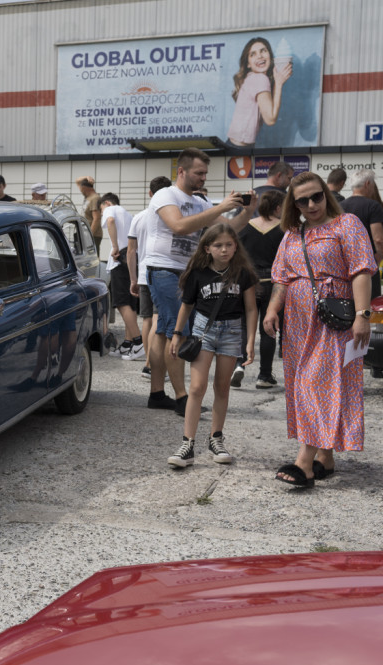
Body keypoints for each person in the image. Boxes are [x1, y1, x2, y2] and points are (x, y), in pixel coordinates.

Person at [266, 172, 375, 487]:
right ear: (294, 203)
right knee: (306, 382)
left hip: (334, 317)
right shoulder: (292, 233)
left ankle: (304, 463)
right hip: (298, 320)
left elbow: (361, 272)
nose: (311, 204)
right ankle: (324, 457)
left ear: (327, 194)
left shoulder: (348, 224)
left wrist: (362, 314)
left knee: (317, 382)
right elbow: (282, 277)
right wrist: (273, 309)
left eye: (317, 196)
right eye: (303, 200)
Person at [144, 147, 255, 416]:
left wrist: (248, 212)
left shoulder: (200, 203)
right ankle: (183, 398)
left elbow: (229, 230)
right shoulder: (165, 194)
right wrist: (221, 207)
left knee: (163, 332)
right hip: (164, 270)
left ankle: (157, 393)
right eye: (199, 173)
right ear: (181, 171)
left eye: (206, 173)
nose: (204, 177)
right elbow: (179, 226)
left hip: (184, 273)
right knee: (177, 332)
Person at [168, 225, 258, 468]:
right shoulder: (198, 273)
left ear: (235, 246)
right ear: (207, 248)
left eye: (229, 244)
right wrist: (177, 334)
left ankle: (216, 438)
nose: (224, 249)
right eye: (218, 245)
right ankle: (187, 444)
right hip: (203, 331)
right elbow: (186, 305)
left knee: (222, 387)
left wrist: (250, 342)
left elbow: (251, 308)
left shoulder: (243, 273)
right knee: (197, 387)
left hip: (231, 332)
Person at [237, 189, 287, 388]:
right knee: (268, 329)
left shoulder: (245, 227)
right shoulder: (284, 229)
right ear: (277, 207)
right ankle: (264, 375)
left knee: (242, 327)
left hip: (247, 282)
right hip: (273, 283)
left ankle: (239, 365)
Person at [127, 175, 173, 378]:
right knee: (158, 319)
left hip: (144, 274)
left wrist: (133, 278)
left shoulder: (139, 217)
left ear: (149, 193)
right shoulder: (172, 216)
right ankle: (152, 364)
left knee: (147, 319)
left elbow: (130, 251)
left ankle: (147, 362)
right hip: (165, 273)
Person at [226, 36, 292, 150]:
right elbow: (270, 119)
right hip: (238, 149)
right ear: (248, 64)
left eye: (263, 51)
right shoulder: (260, 79)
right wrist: (279, 84)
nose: (260, 56)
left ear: (270, 56)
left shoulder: (251, 78)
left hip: (235, 146)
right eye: (253, 54)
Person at [99, 192, 142, 359]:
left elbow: (110, 221)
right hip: (132, 259)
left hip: (120, 259)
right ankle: (127, 343)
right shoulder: (128, 214)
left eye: (101, 209)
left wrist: (115, 246)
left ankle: (138, 342)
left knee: (122, 302)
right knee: (129, 304)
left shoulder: (111, 210)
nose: (102, 213)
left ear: (107, 203)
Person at [340, 169, 383, 297]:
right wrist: (379, 257)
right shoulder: (373, 206)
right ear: (367, 184)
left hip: (345, 264)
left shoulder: (340, 206)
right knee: (370, 305)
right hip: (367, 265)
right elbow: (378, 239)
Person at [76, 176, 102, 251]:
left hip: (93, 235)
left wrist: (90, 236)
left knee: (92, 259)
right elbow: (77, 181)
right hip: (85, 234)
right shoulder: (88, 197)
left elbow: (97, 218)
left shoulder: (95, 198)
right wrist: (87, 177)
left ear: (84, 188)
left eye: (81, 189)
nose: (81, 191)